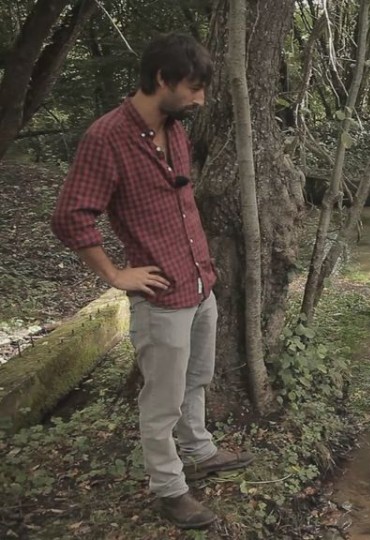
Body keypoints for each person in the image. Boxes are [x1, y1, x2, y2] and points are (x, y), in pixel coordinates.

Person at [51, 33, 253, 530]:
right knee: (161, 401)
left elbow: (180, 205)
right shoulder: (106, 138)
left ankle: (200, 449)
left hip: (199, 283)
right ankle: (169, 488)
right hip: (161, 298)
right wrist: (116, 274)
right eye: (195, 87)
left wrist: (204, 268)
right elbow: (70, 216)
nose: (201, 99)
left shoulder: (175, 128)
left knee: (197, 378)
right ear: (162, 79)